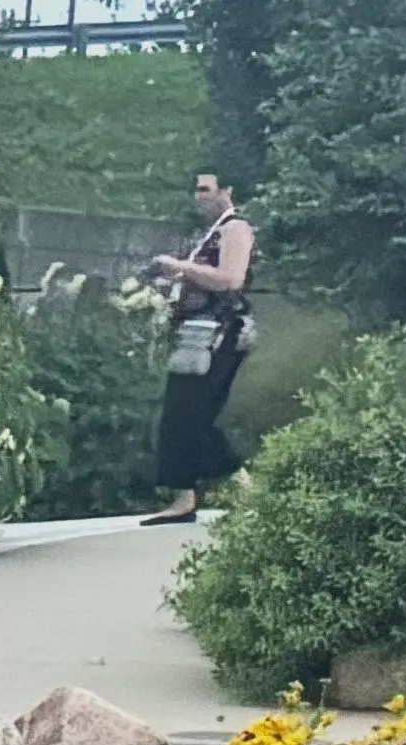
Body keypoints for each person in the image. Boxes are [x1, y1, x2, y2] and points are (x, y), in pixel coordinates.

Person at [142, 173, 257, 524]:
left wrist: (180, 267)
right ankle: (186, 495)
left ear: (228, 191)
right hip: (195, 333)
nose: (199, 197)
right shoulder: (209, 234)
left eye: (206, 189)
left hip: (220, 333)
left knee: (192, 413)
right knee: (182, 413)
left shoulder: (235, 229)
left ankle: (244, 489)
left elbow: (231, 279)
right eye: (196, 190)